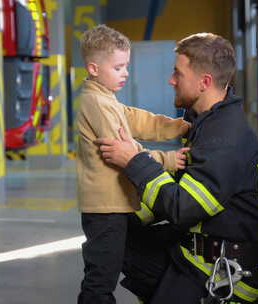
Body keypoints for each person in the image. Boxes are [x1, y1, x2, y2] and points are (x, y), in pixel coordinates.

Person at [94, 32, 258, 304]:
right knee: (111, 232)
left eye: (178, 73)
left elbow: (183, 208)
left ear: (204, 82)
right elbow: (176, 190)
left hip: (229, 272)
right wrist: (121, 211)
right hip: (203, 248)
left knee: (114, 239)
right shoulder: (207, 125)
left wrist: (134, 161)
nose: (171, 80)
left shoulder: (226, 137)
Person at [76, 24, 190, 304]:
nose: (125, 72)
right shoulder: (97, 103)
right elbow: (124, 150)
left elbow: (137, 119)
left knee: (113, 266)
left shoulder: (106, 98)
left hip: (115, 203)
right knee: (100, 279)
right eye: (118, 67)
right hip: (105, 209)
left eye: (126, 65)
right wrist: (167, 160)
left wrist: (178, 127)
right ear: (93, 68)